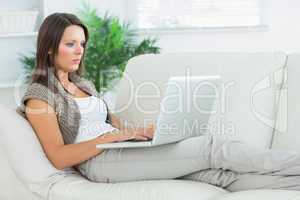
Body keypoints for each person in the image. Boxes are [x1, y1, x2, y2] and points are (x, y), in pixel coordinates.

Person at [18, 13, 300, 191]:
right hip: (100, 163)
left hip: (121, 151)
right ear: (50, 46)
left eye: (82, 44)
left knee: (216, 176)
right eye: (71, 44)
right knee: (214, 146)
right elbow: (58, 156)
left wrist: (142, 132)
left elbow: (114, 124)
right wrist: (115, 138)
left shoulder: (83, 84)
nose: (80, 51)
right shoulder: (39, 96)